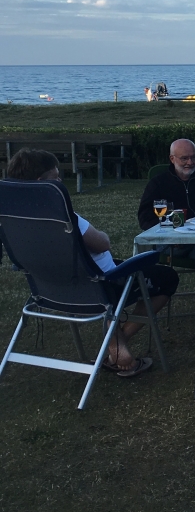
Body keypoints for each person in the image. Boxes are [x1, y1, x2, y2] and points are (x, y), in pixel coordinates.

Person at [6, 148, 178, 378]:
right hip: (100, 286)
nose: (60, 182)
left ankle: (116, 341)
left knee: (118, 274)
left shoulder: (14, 220)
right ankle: (117, 344)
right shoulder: (64, 218)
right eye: (56, 177)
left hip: (51, 290)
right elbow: (102, 244)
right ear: (41, 183)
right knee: (167, 278)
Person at [137, 138, 195, 230]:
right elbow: (144, 218)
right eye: (184, 158)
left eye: (194, 157)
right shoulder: (158, 183)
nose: (190, 162)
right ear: (172, 159)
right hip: (169, 234)